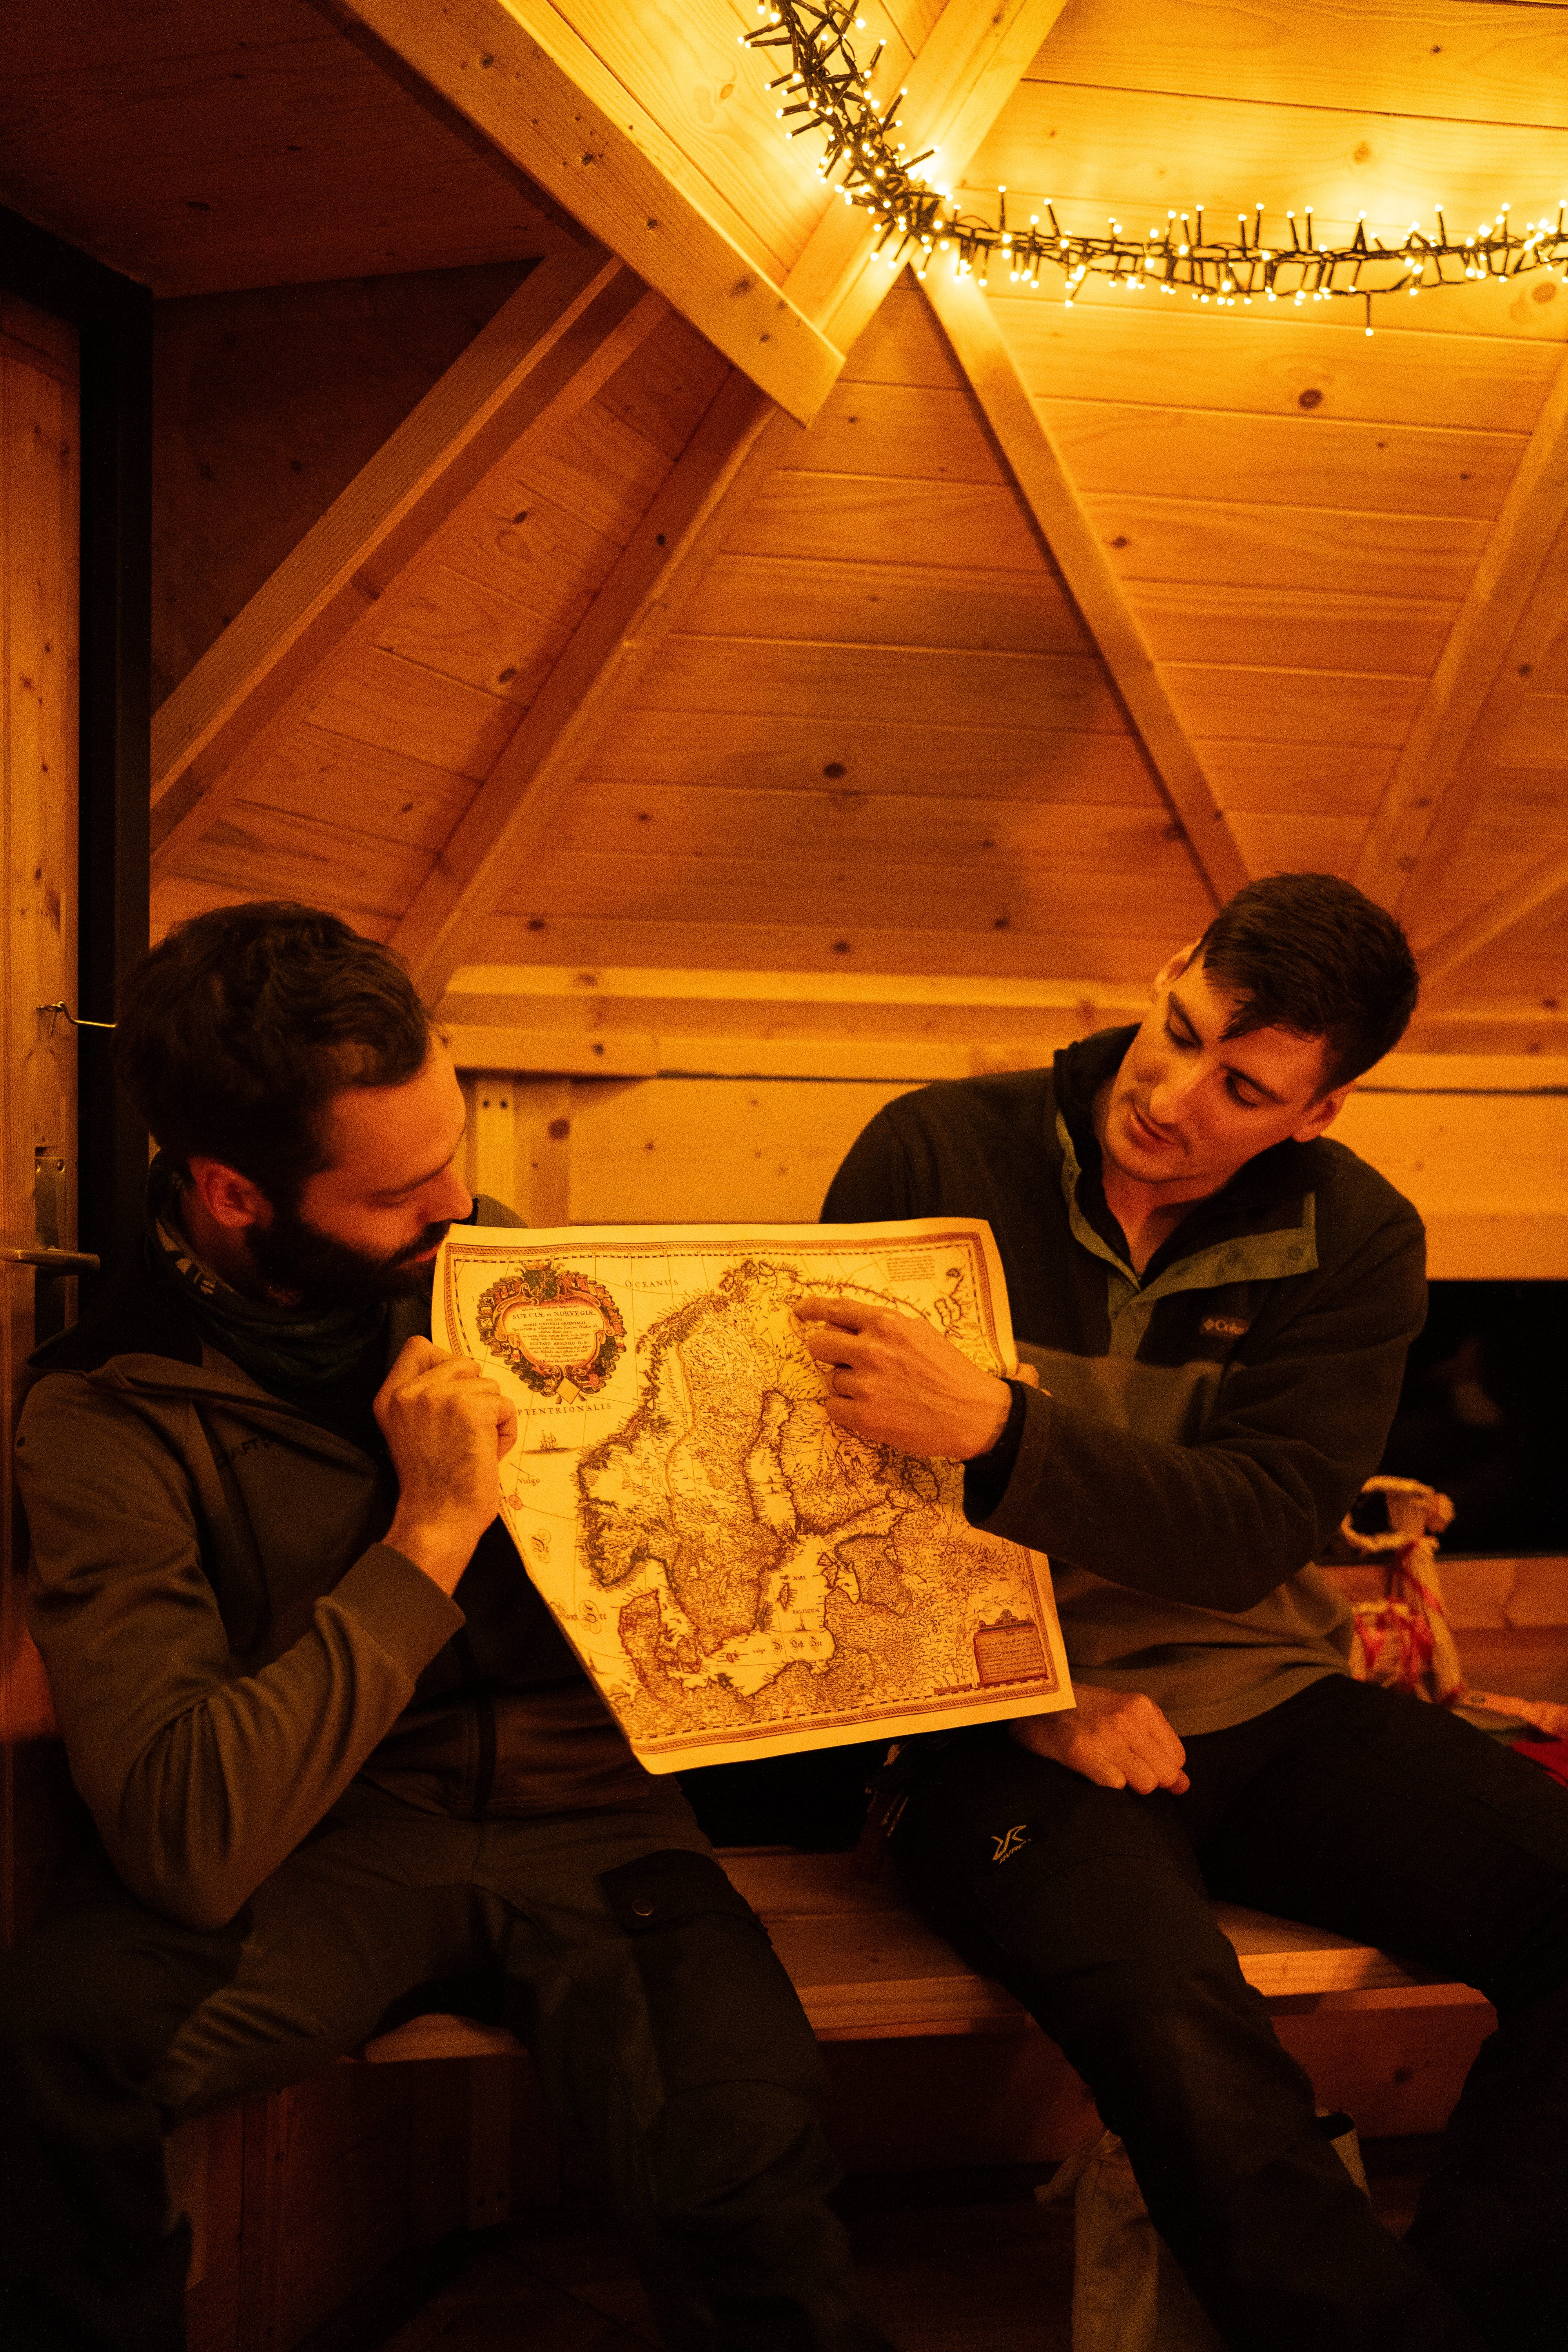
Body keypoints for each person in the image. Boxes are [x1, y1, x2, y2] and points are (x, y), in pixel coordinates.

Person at [0, 901, 889, 2352]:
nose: (463, 1209)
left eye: (457, 1153)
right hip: (326, 1844)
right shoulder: (113, 1406)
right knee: (53, 2049)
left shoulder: (517, 1286)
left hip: (599, 1824)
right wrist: (426, 1536)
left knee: (741, 2164)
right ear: (235, 1195)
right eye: (403, 1192)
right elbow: (185, 1837)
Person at [797, 873, 1568, 2352]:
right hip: (992, 1719)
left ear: (1318, 1114)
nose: (1171, 1095)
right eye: (1181, 1028)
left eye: (1243, 1089)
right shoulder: (935, 1150)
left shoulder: (1358, 1235)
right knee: (1180, 2030)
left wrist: (1002, 1430)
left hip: (1263, 1691)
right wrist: (1029, 1703)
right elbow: (820, 1505)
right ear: (1169, 970)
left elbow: (1252, 1531)